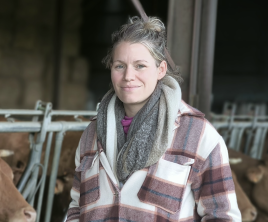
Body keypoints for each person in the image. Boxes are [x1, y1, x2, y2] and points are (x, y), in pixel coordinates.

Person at [66, 16, 241, 222]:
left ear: (161, 70)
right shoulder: (92, 134)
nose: (128, 76)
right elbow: (76, 208)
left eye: (140, 66)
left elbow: (222, 216)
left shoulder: (198, 134)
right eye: (120, 66)